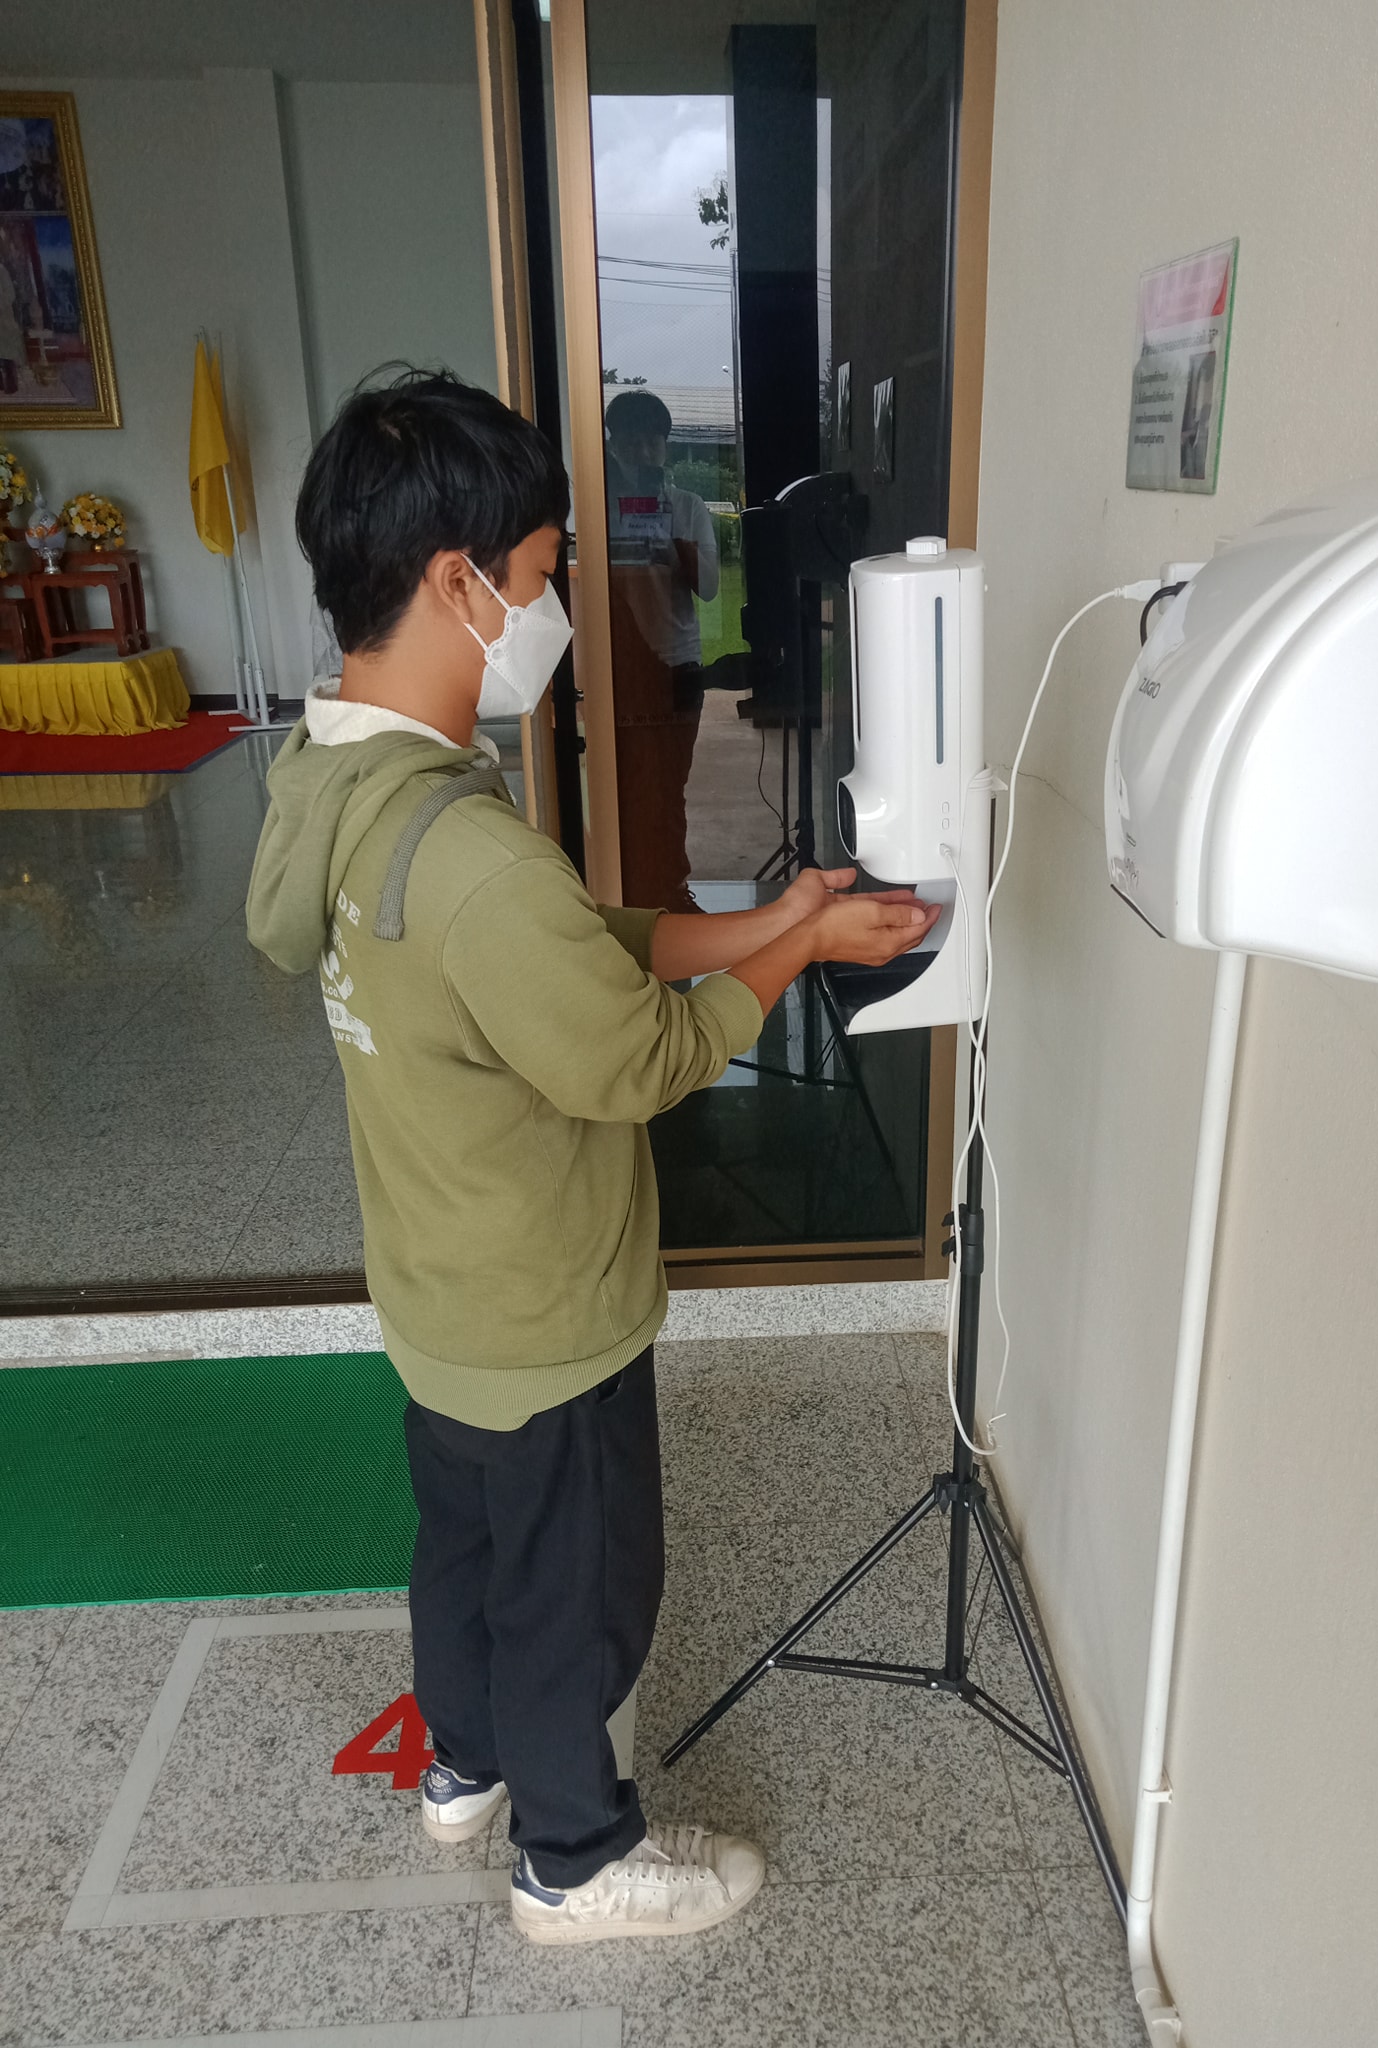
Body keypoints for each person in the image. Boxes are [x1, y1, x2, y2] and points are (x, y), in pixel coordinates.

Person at [246, 370, 937, 1946]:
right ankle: (573, 1859)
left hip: (438, 1294)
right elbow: (636, 1059)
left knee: (466, 1550)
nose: (553, 611)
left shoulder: (339, 790)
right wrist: (799, 956)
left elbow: (567, 946)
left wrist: (764, 921)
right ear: (458, 583)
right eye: (543, 576)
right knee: (579, 1587)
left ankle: (466, 1767)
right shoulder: (470, 852)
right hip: (546, 1312)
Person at [603, 387, 718, 912]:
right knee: (626, 782)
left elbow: (709, 587)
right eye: (632, 443)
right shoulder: (599, 510)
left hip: (677, 662)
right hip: (620, 662)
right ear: (612, 445)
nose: (644, 453)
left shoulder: (688, 507)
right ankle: (626, 891)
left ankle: (671, 891)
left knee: (670, 786)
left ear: (666, 446)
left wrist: (669, 535)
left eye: (653, 442)